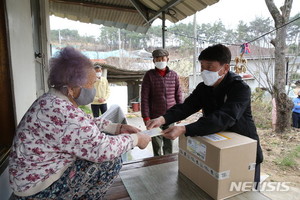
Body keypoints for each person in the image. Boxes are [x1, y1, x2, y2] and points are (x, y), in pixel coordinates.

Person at [9, 46, 151, 200]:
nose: (93, 90)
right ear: (71, 88)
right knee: (110, 160)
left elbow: (85, 122)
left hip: (32, 179)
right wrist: (136, 139)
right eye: (90, 85)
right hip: (38, 190)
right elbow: (102, 149)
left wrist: (118, 128)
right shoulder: (61, 111)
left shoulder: (53, 100)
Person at [147, 44, 263, 185]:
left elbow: (224, 117)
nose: (204, 71)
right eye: (202, 66)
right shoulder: (204, 88)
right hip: (217, 146)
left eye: (209, 67)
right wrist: (163, 118)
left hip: (243, 149)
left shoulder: (240, 89)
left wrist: (185, 129)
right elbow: (186, 106)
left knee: (245, 191)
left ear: (225, 68)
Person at [141, 48, 182, 156]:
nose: (160, 61)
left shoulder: (174, 75)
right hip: (154, 116)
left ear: (167, 59)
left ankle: (167, 161)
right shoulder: (149, 75)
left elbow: (178, 95)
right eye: (157, 59)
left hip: (171, 114)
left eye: (162, 59)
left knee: (169, 142)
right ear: (154, 61)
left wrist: (180, 114)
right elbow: (144, 98)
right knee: (157, 143)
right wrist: (146, 117)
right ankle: (157, 161)